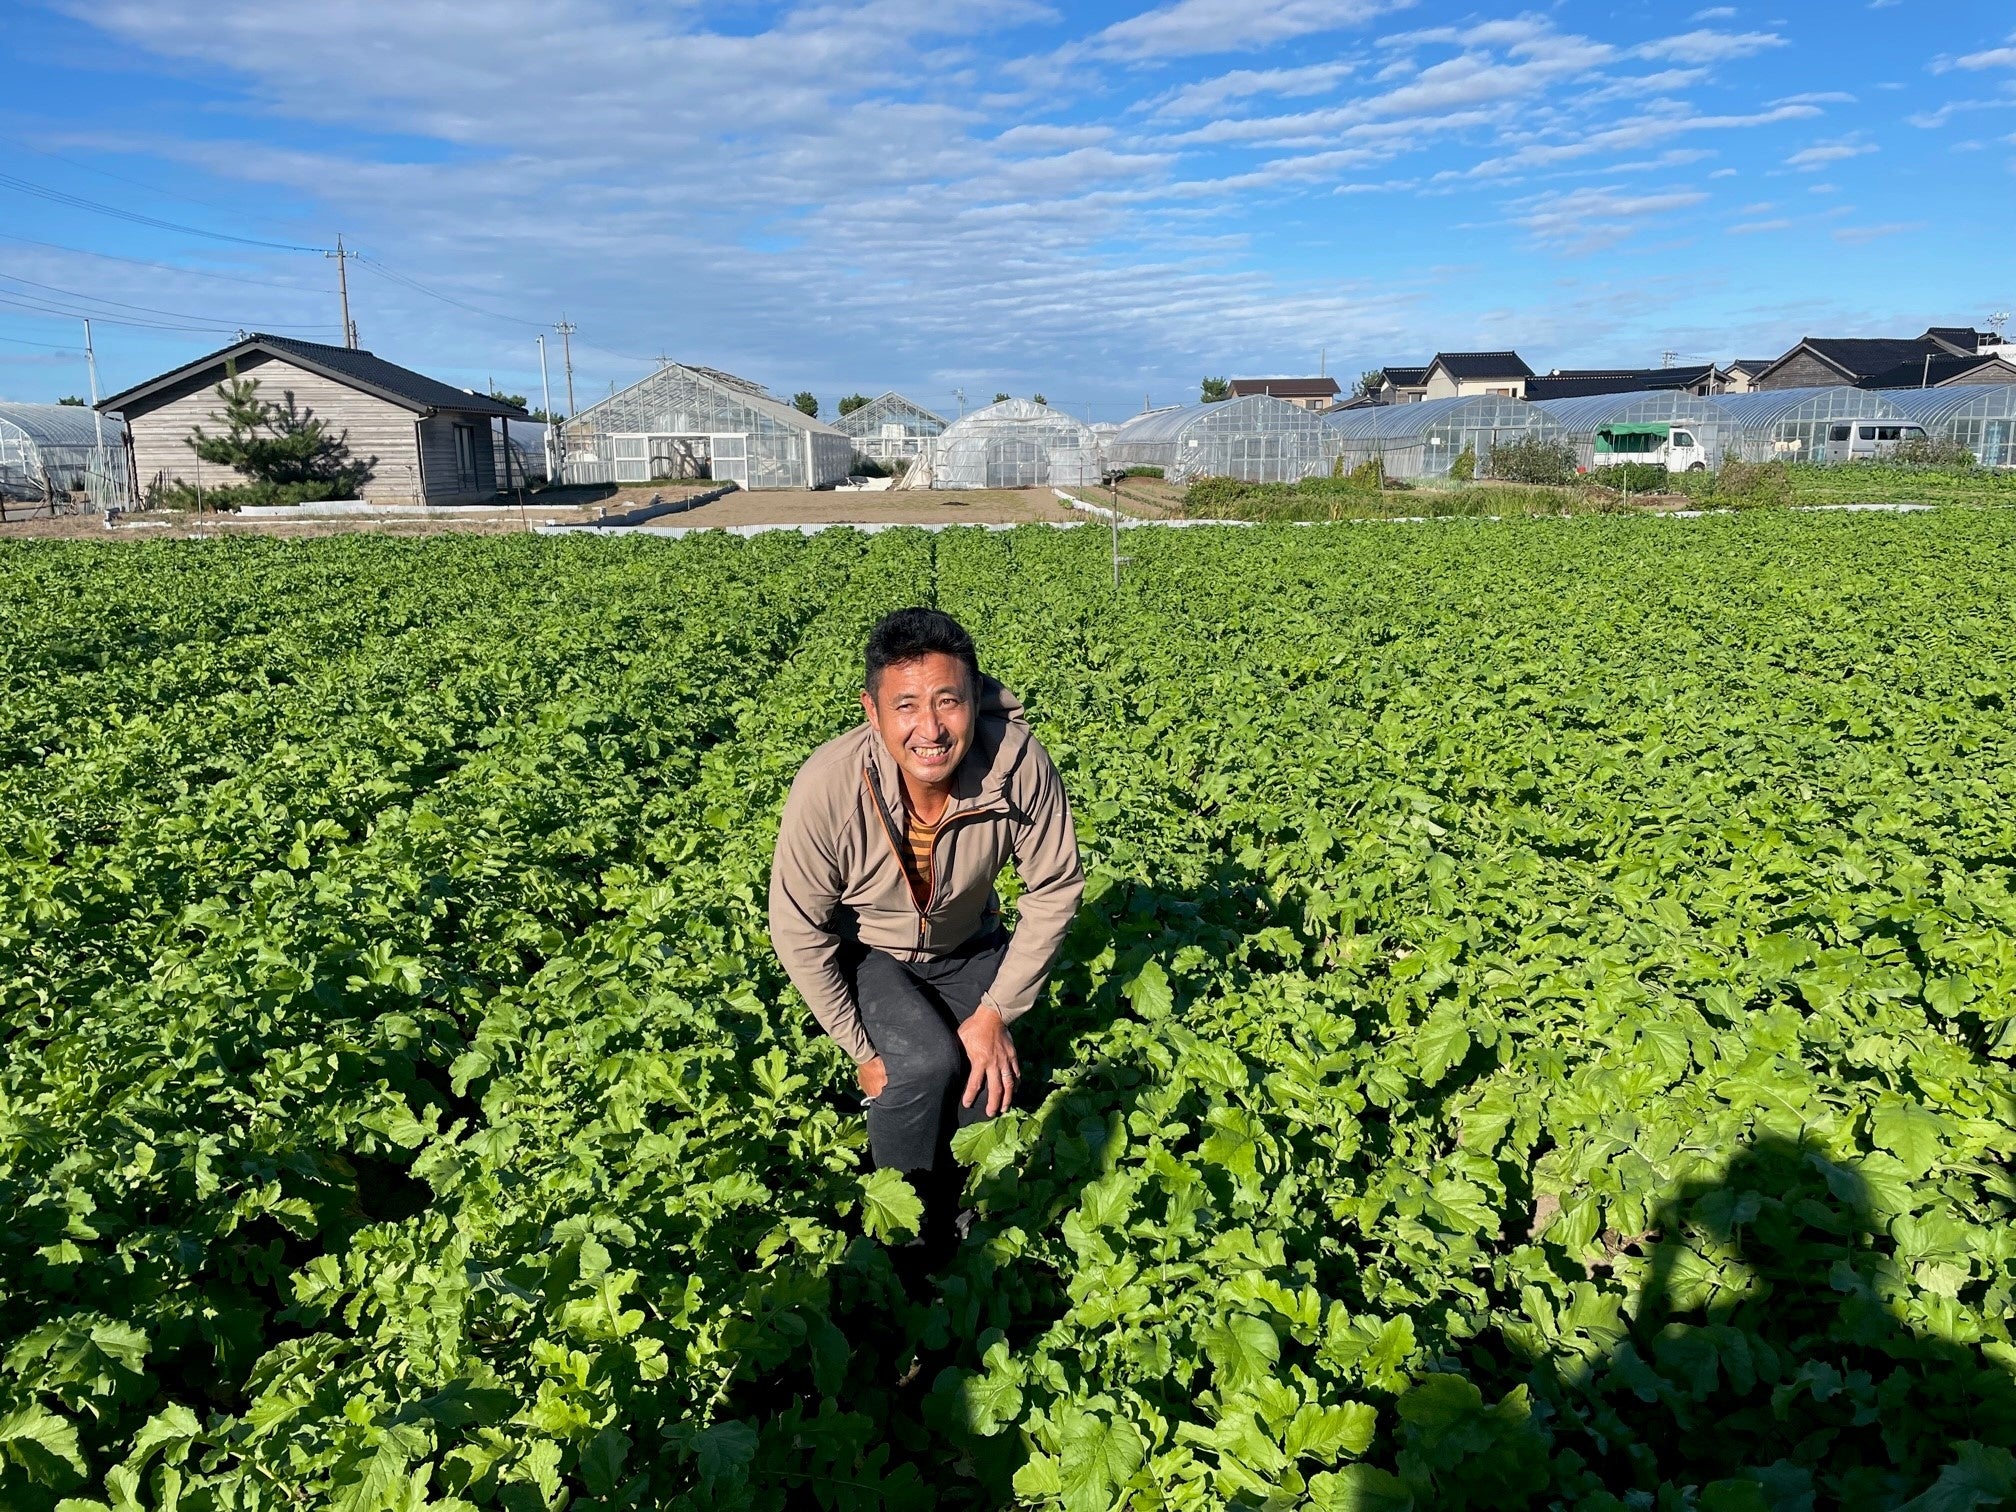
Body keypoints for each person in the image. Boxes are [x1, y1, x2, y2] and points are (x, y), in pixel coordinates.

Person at [769, 607, 1084, 1267]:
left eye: (949, 701)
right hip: (872, 953)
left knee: (983, 1077)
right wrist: (859, 1046)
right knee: (920, 1065)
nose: (930, 728)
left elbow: (1054, 886)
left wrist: (997, 1010)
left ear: (974, 698)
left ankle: (966, 1228)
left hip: (968, 945)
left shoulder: (1016, 764)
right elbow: (799, 927)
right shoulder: (829, 784)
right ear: (872, 710)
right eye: (906, 705)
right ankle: (899, 1244)